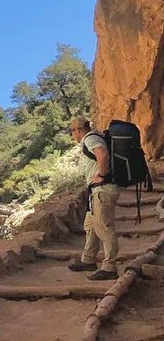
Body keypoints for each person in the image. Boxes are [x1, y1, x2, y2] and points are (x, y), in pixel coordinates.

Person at [68, 118, 119, 280]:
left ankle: (110, 267)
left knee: (104, 227)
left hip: (102, 190)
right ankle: (88, 260)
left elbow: (102, 155)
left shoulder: (90, 139)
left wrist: (102, 175)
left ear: (77, 130)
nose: (72, 135)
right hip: (96, 191)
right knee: (90, 225)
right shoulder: (93, 137)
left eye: (72, 131)